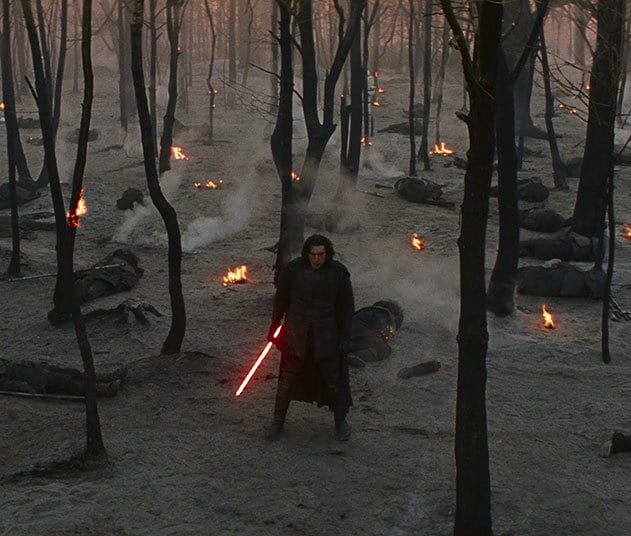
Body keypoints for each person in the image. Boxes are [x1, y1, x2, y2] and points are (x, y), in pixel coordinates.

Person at [265, 235, 355, 441]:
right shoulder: (293, 271)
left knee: (334, 382)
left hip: (327, 337)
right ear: (307, 254)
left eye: (320, 255)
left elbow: (347, 309)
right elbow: (281, 301)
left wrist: (345, 337)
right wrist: (274, 327)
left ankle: (340, 421)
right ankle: (277, 422)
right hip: (297, 336)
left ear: (327, 254)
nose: (316, 259)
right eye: (313, 254)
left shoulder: (338, 273)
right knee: (286, 381)